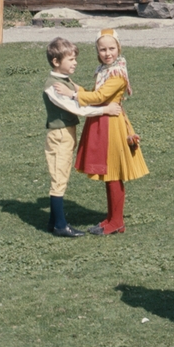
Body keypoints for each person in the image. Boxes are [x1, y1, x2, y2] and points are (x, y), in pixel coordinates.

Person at [56, 28, 148, 235]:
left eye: (111, 49)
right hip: (102, 121)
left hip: (112, 125)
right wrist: (76, 88)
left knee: (113, 172)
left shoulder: (117, 74)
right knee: (108, 173)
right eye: (103, 49)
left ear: (119, 48)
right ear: (97, 50)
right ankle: (112, 218)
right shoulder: (104, 70)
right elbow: (95, 94)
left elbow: (99, 97)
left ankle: (117, 221)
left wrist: (73, 95)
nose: (108, 53)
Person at [41, 36, 121, 237]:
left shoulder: (64, 81)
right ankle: (60, 225)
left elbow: (79, 96)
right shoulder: (54, 86)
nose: (75, 63)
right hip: (59, 135)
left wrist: (76, 90)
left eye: (75, 58)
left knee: (62, 175)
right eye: (70, 59)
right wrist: (105, 110)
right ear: (56, 62)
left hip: (66, 133)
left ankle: (53, 221)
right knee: (59, 178)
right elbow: (77, 109)